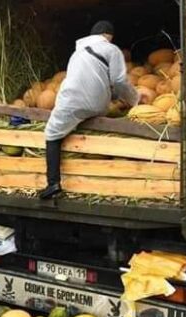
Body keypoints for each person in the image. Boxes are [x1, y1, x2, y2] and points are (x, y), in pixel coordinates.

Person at [39, 20, 139, 199]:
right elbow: (118, 81)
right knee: (94, 124)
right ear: (108, 35)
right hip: (99, 105)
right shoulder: (112, 49)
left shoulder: (76, 53)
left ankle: (53, 183)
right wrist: (135, 100)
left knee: (52, 134)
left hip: (72, 102)